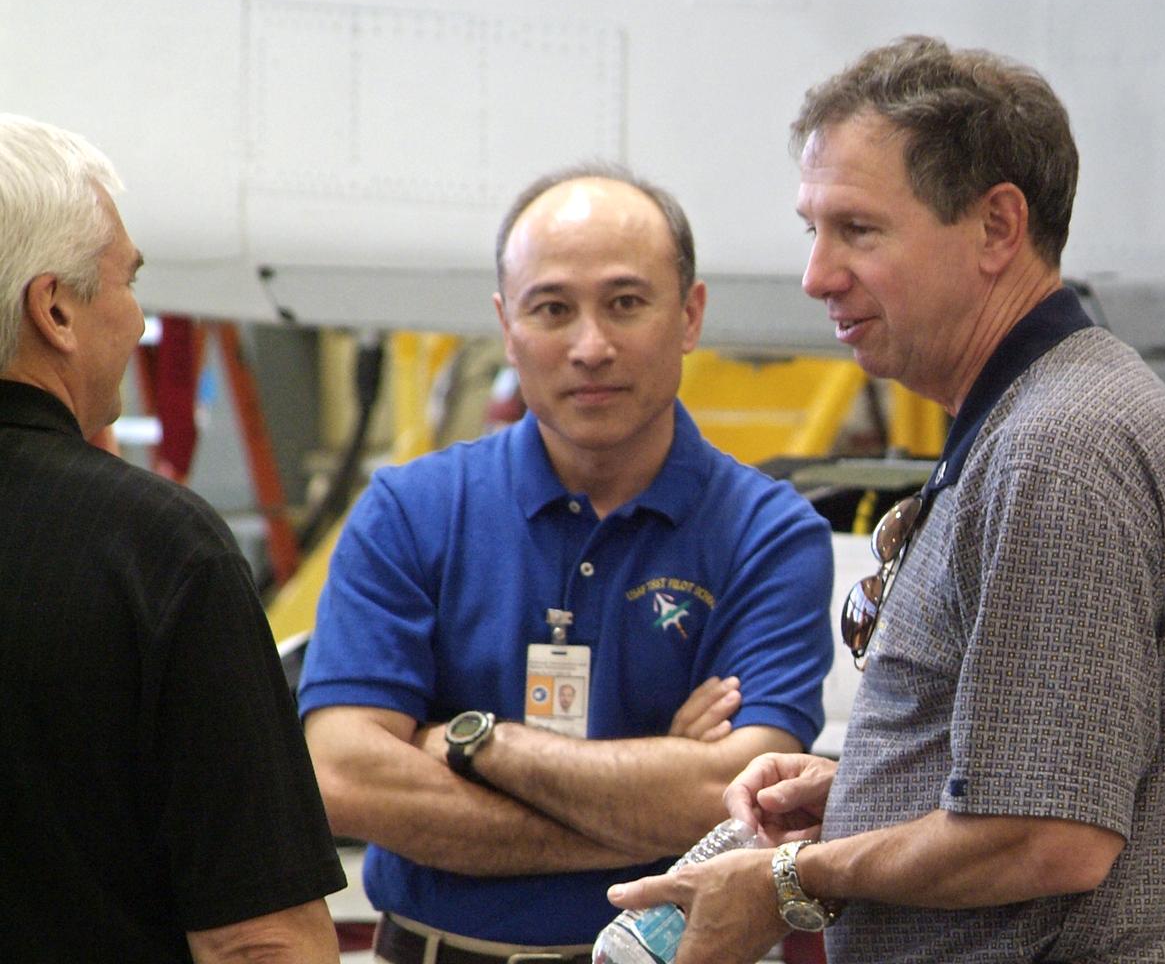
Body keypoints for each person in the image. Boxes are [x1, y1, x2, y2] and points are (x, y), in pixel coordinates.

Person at [607, 36, 1165, 963]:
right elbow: (1050, 788)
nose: (816, 274)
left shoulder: (1054, 451)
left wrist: (787, 881)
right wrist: (868, 786)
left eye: (858, 231)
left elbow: (1047, 836)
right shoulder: (1044, 419)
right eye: (812, 229)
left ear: (997, 227)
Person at [298, 163, 835, 962]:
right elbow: (343, 777)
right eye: (552, 309)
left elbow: (743, 794)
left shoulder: (769, 532)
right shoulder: (409, 511)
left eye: (626, 303)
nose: (591, 346)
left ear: (689, 314)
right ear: (507, 325)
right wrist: (649, 796)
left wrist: (477, 747)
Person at [0, 114, 346, 963]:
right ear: (55, 310)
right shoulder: (156, 551)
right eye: (127, 282)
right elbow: (259, 940)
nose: (137, 316)